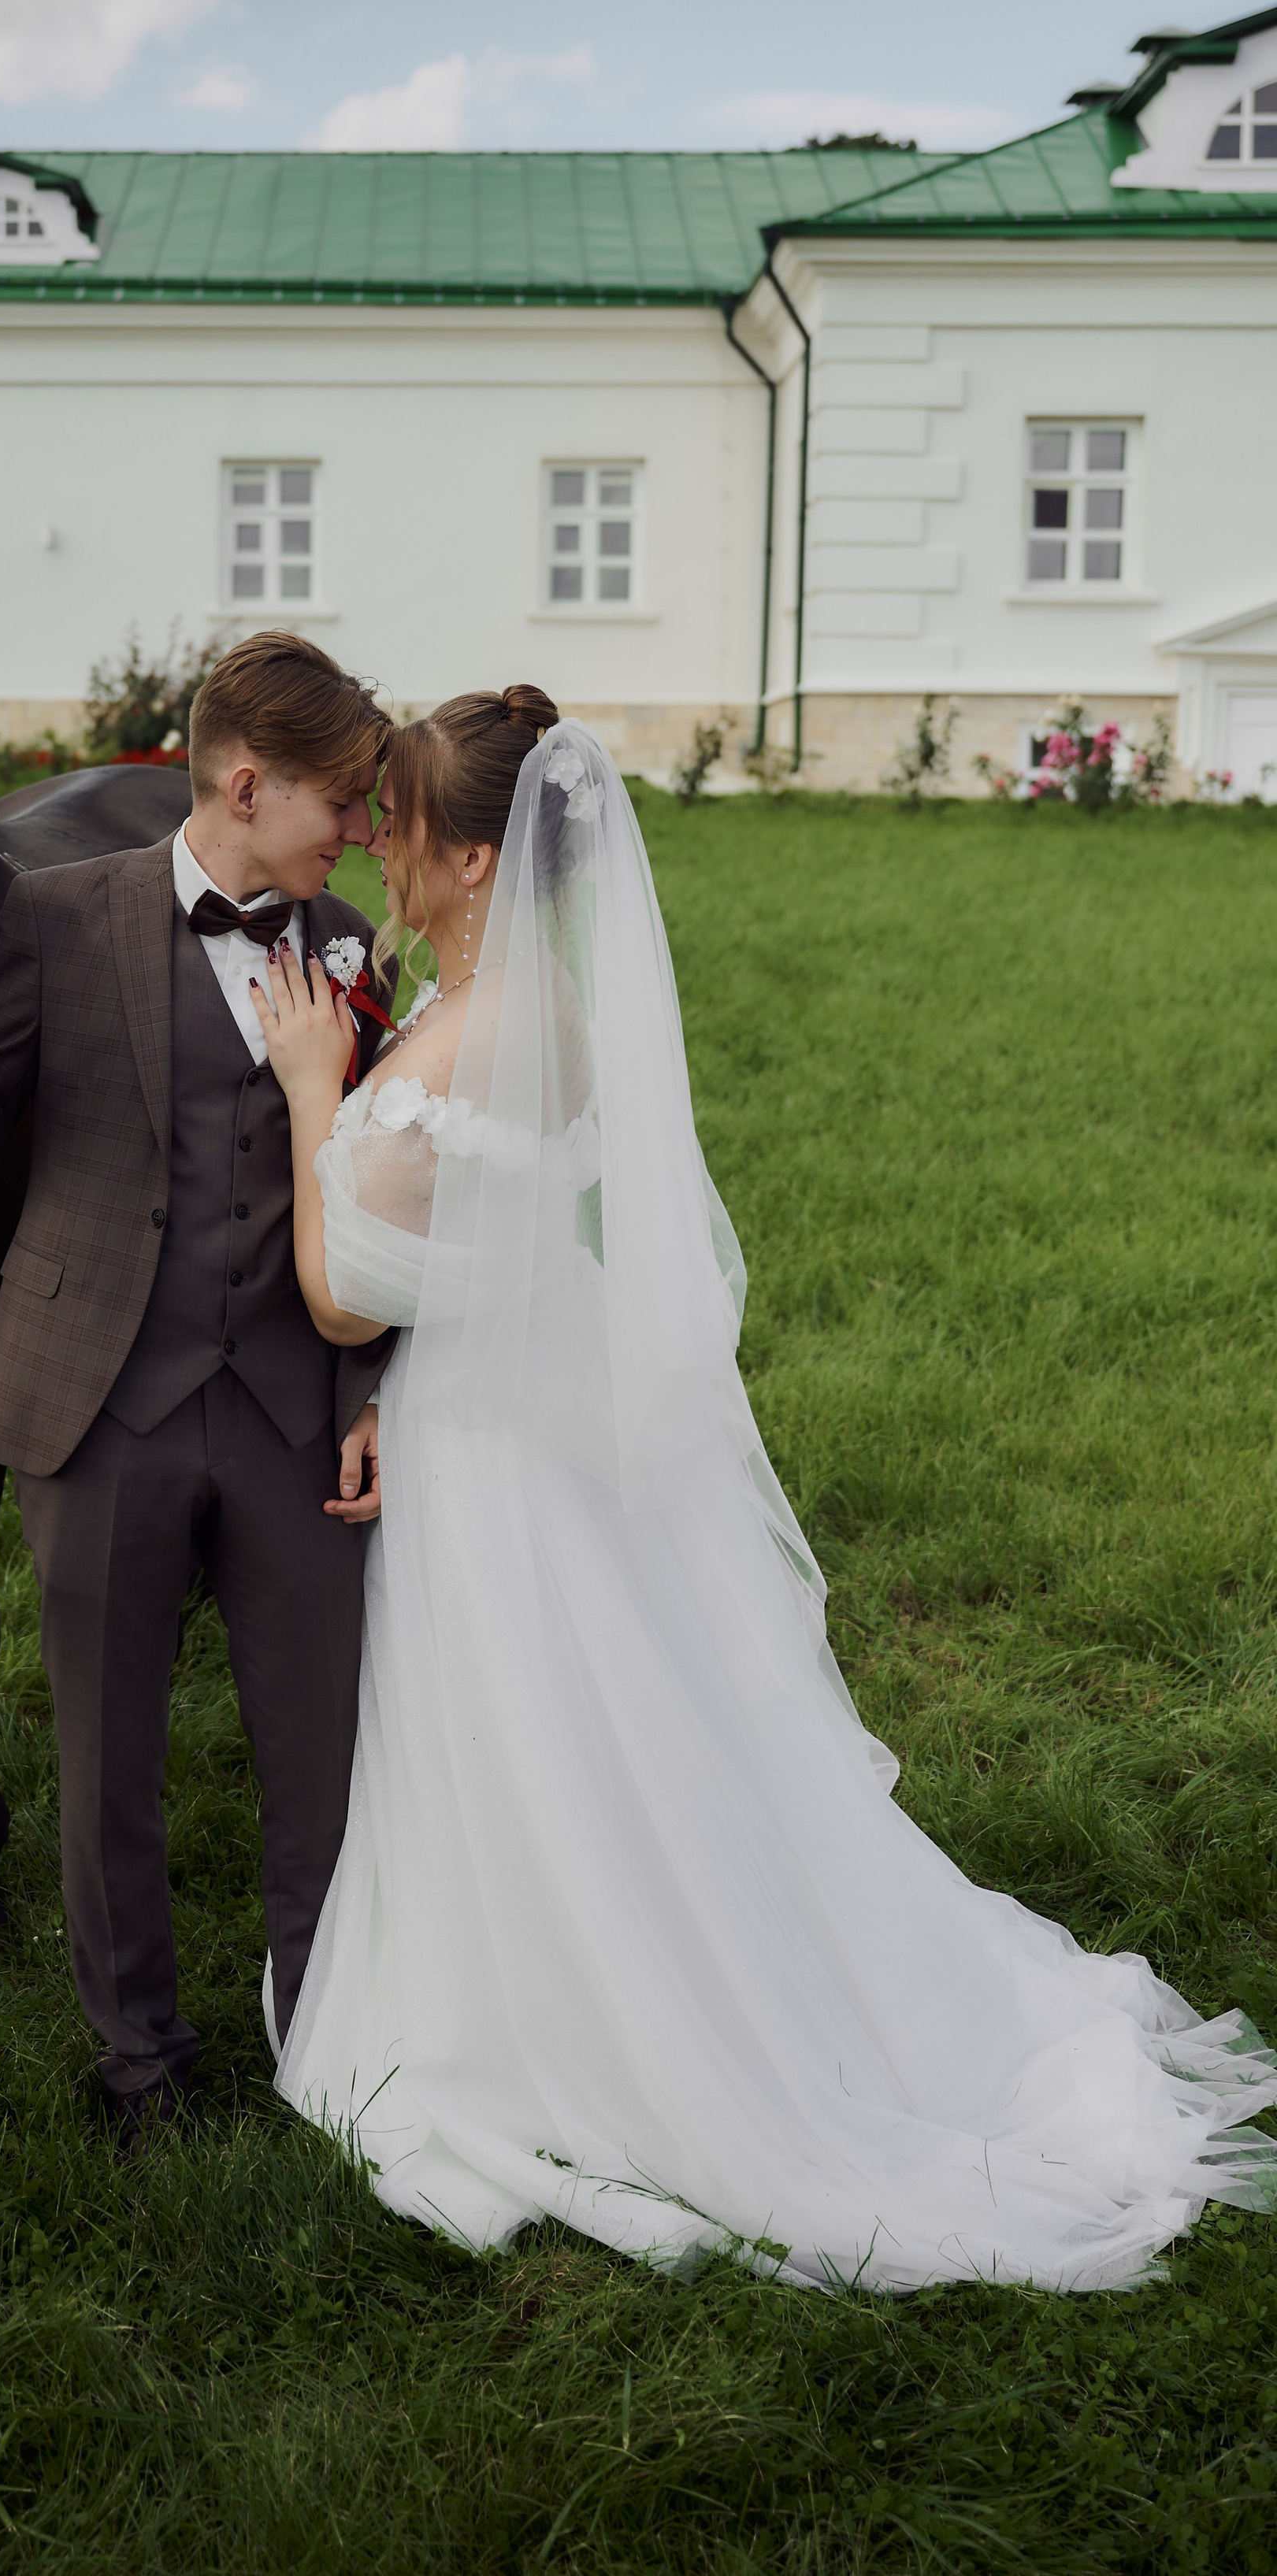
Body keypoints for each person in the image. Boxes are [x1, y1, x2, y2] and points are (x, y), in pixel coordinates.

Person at [251, 686, 1277, 2292]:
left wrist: (318, 1086)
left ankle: (578, 2014)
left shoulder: (462, 1034)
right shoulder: (549, 1014)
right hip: (508, 1415)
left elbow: (340, 1292)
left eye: (390, 819)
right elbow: (493, 1252)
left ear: (461, 858)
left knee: (529, 1729)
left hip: (493, 1457)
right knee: (598, 1732)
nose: (371, 839)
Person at [0, 632, 396, 2149]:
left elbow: (373, 1192)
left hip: (293, 1408)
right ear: (246, 781)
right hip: (99, 1402)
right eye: (337, 801)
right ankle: (138, 2062)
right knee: (109, 1764)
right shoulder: (57, 918)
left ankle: (328, 2037)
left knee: (322, 1747)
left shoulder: (348, 942)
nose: (353, 830)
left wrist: (365, 1389)